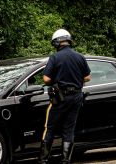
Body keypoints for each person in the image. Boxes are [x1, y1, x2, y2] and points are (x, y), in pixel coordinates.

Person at [39, 29, 91, 164]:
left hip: (60, 97)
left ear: (57, 42)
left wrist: (57, 79)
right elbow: (87, 77)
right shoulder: (79, 57)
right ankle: (66, 160)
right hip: (76, 97)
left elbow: (46, 79)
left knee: (49, 128)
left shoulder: (55, 57)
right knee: (69, 129)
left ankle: (43, 160)